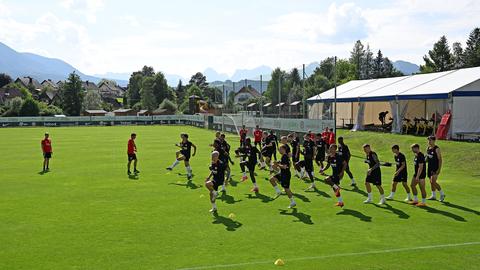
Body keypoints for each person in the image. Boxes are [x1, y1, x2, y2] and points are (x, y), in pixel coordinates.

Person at [426, 136, 445, 202]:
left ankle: (442, 194)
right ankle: (433, 195)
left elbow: (440, 159)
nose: (429, 142)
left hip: (435, 167)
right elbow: (427, 158)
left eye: (430, 140)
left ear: (434, 141)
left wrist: (439, 169)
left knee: (433, 181)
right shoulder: (428, 148)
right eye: (428, 140)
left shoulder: (437, 149)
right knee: (431, 182)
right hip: (429, 167)